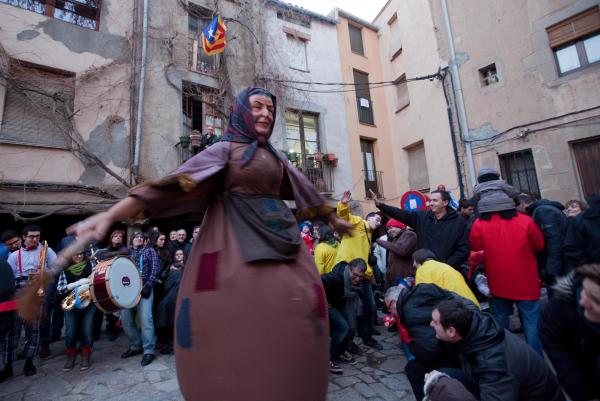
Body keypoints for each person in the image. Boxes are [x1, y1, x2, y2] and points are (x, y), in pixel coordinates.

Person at [68, 87, 351, 401]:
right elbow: (169, 185)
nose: (266, 114)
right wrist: (110, 215)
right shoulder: (225, 150)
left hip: (283, 237)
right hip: (231, 235)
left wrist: (334, 220)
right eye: (258, 107)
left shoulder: (274, 155)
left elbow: (302, 187)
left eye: (270, 109)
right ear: (241, 111)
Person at [431, 299, 565, 401]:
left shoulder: (492, 364)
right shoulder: (476, 324)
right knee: (443, 375)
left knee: (441, 384)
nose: (431, 324)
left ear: (451, 331)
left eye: (435, 322)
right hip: (518, 390)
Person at [469, 203, 545, 355]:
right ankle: (536, 361)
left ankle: (505, 359)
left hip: (498, 280)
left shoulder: (480, 223)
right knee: (532, 322)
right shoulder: (525, 220)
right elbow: (538, 245)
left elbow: (476, 247)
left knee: (501, 321)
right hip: (527, 279)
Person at [385, 283, 473, 400]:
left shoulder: (410, 312)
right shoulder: (422, 288)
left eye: (389, 309)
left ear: (394, 302)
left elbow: (430, 349)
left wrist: (413, 346)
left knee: (413, 369)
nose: (391, 313)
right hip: (465, 327)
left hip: (458, 349)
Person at [539, 264, 600, 400]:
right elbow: (563, 361)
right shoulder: (557, 311)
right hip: (582, 381)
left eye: (596, 301)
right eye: (584, 291)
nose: (583, 301)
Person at [333, 190, 383, 351]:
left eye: (381, 220)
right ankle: (348, 342)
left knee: (369, 305)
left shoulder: (369, 234)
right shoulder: (356, 222)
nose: (379, 222)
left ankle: (366, 335)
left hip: (362, 275)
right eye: (377, 218)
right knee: (350, 308)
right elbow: (343, 216)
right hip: (347, 270)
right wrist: (344, 204)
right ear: (367, 218)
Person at [370, 189, 469, 269]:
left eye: (435, 200)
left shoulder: (458, 222)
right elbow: (401, 214)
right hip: (424, 270)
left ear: (445, 202)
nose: (430, 203)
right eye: (430, 200)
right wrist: (380, 205)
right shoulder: (421, 217)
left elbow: (463, 250)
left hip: (448, 272)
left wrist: (447, 266)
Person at [6, 225, 57, 376]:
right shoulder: (14, 255)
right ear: (23, 237)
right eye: (31, 236)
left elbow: (57, 266)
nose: (35, 239)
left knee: (34, 329)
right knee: (13, 329)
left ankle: (29, 362)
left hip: (37, 290)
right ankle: (8, 365)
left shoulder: (46, 250)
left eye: (37, 236)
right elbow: (9, 276)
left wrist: (44, 273)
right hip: (19, 290)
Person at [321, 258, 367, 374]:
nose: (357, 279)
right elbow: (316, 281)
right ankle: (328, 359)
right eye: (355, 275)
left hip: (341, 301)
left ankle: (339, 352)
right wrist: (323, 300)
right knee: (343, 327)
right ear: (349, 269)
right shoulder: (335, 278)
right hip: (328, 303)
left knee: (351, 327)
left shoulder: (356, 281)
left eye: (360, 276)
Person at [120, 231, 159, 366]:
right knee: (125, 319)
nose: (139, 238)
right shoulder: (126, 253)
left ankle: (148, 350)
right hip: (129, 290)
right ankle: (136, 345)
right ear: (131, 240)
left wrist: (148, 286)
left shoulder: (149, 251)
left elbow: (154, 269)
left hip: (144, 288)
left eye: (141, 237)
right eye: (136, 237)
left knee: (146, 319)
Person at [56, 252, 96, 371]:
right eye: (75, 254)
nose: (79, 256)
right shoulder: (65, 269)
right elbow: (60, 289)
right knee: (70, 331)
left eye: (81, 254)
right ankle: (71, 355)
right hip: (71, 303)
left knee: (88, 329)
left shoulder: (91, 265)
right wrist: (77, 284)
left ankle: (86, 354)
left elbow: (97, 280)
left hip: (90, 302)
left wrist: (88, 283)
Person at [518, 193, 569, 284]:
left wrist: (551, 271)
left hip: (558, 267)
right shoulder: (544, 209)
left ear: (522, 204)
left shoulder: (542, 211)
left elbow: (554, 241)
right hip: (560, 264)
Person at [93, 229, 128, 341]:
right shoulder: (102, 252)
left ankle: (112, 329)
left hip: (118, 282)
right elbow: (94, 263)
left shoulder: (126, 251)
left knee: (114, 307)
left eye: (120, 236)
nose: (118, 237)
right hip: (103, 281)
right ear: (111, 238)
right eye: (116, 235)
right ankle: (95, 332)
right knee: (99, 305)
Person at [412, 249, 479, 307]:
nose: (413, 264)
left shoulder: (423, 269)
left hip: (459, 309)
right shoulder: (445, 266)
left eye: (414, 261)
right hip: (474, 306)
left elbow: (422, 295)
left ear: (418, 259)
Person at [156, 249, 185, 355]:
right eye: (177, 254)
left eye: (180, 254)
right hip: (170, 296)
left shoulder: (187, 267)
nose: (179, 256)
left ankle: (172, 344)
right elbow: (165, 280)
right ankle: (169, 343)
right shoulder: (170, 268)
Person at [374, 219, 417, 290]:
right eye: (388, 229)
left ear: (399, 226)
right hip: (395, 281)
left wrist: (380, 241)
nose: (388, 231)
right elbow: (390, 263)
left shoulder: (409, 234)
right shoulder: (395, 239)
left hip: (405, 280)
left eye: (390, 228)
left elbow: (402, 250)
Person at [564, 194, 600, 268]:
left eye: (573, 206)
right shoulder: (564, 224)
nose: (569, 209)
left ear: (583, 209)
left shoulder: (588, 221)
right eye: (567, 208)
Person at [0, 258, 17, 382]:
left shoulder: (2, 264)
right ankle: (7, 366)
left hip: (4, 310)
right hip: (7, 308)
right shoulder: (4, 262)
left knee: (7, 340)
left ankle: (7, 367)